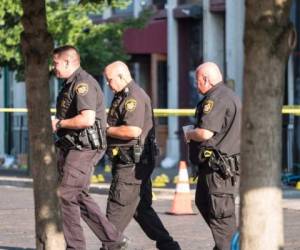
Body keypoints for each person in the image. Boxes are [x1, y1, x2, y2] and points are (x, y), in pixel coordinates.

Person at [51, 45, 127, 250]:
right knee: (78, 195)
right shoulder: (69, 84)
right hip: (73, 146)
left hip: (83, 147)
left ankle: (75, 247)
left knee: (65, 194)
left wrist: (58, 124)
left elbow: (87, 119)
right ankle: (114, 240)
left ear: (68, 61)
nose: (53, 67)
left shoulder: (82, 83)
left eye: (56, 63)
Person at [103, 61, 181, 250]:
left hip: (131, 165)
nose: (107, 84)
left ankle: (109, 247)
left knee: (115, 212)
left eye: (109, 80)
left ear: (122, 76)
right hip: (133, 163)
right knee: (142, 209)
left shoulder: (133, 97)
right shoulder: (122, 95)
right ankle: (168, 246)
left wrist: (107, 130)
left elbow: (133, 131)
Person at [185, 62, 241, 250]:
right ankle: (229, 244)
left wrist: (190, 133)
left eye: (197, 80)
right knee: (204, 202)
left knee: (220, 218)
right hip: (217, 168)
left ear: (206, 79)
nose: (196, 84)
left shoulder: (215, 98)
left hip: (219, 171)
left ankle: (232, 245)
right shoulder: (229, 95)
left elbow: (205, 133)